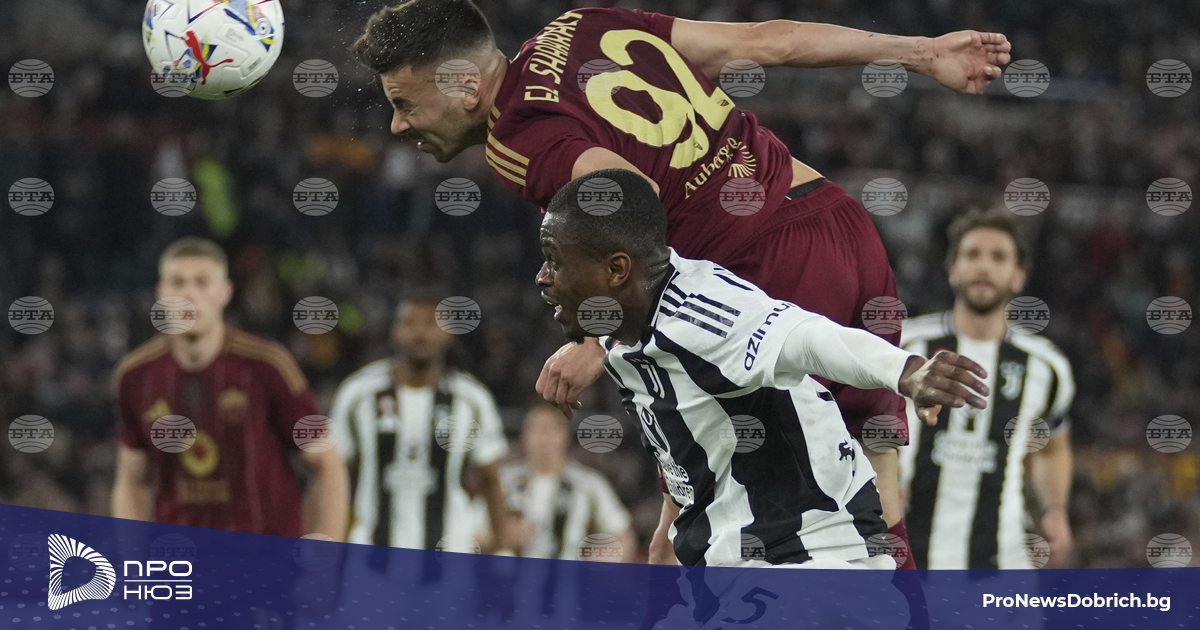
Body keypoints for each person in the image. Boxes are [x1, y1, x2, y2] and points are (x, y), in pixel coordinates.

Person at [351, 0, 1012, 562]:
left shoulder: (518, 138)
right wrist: (923, 53)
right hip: (837, 223)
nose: (398, 124)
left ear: (465, 85)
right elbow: (770, 41)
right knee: (875, 487)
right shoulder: (580, 26)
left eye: (404, 103)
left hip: (762, 277)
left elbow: (630, 199)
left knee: (712, 527)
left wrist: (598, 340)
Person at [535, 169, 990, 571]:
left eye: (554, 259)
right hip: (737, 564)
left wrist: (906, 370)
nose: (543, 276)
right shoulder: (626, 328)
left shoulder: (705, 313)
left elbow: (807, 337)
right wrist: (671, 529)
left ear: (617, 270)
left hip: (810, 559)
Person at [110, 237, 349, 540]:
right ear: (160, 293)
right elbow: (132, 480)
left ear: (225, 292)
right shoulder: (135, 376)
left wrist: (325, 552)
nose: (189, 294)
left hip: (266, 554)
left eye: (202, 282)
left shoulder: (267, 365)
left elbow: (326, 462)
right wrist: (133, 558)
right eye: (177, 282)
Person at [899, 208, 1075, 570]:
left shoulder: (1047, 367)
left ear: (1018, 276)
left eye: (998, 257)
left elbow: (1050, 447)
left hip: (1003, 562)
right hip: (904, 557)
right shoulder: (903, 347)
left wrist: (1054, 509)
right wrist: (880, 481)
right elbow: (859, 426)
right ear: (953, 269)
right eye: (972, 254)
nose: (983, 266)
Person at [330, 298, 510, 555]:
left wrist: (501, 549)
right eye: (410, 323)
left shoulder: (472, 399)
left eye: (431, 324)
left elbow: (490, 478)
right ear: (395, 331)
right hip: (370, 554)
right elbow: (334, 475)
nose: (421, 333)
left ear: (448, 334)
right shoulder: (358, 394)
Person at [498, 402, 635, 561]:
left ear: (564, 435)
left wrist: (601, 562)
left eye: (549, 429)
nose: (543, 437)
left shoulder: (588, 484)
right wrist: (501, 534)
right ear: (523, 436)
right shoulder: (503, 481)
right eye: (535, 429)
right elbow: (477, 530)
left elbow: (624, 536)